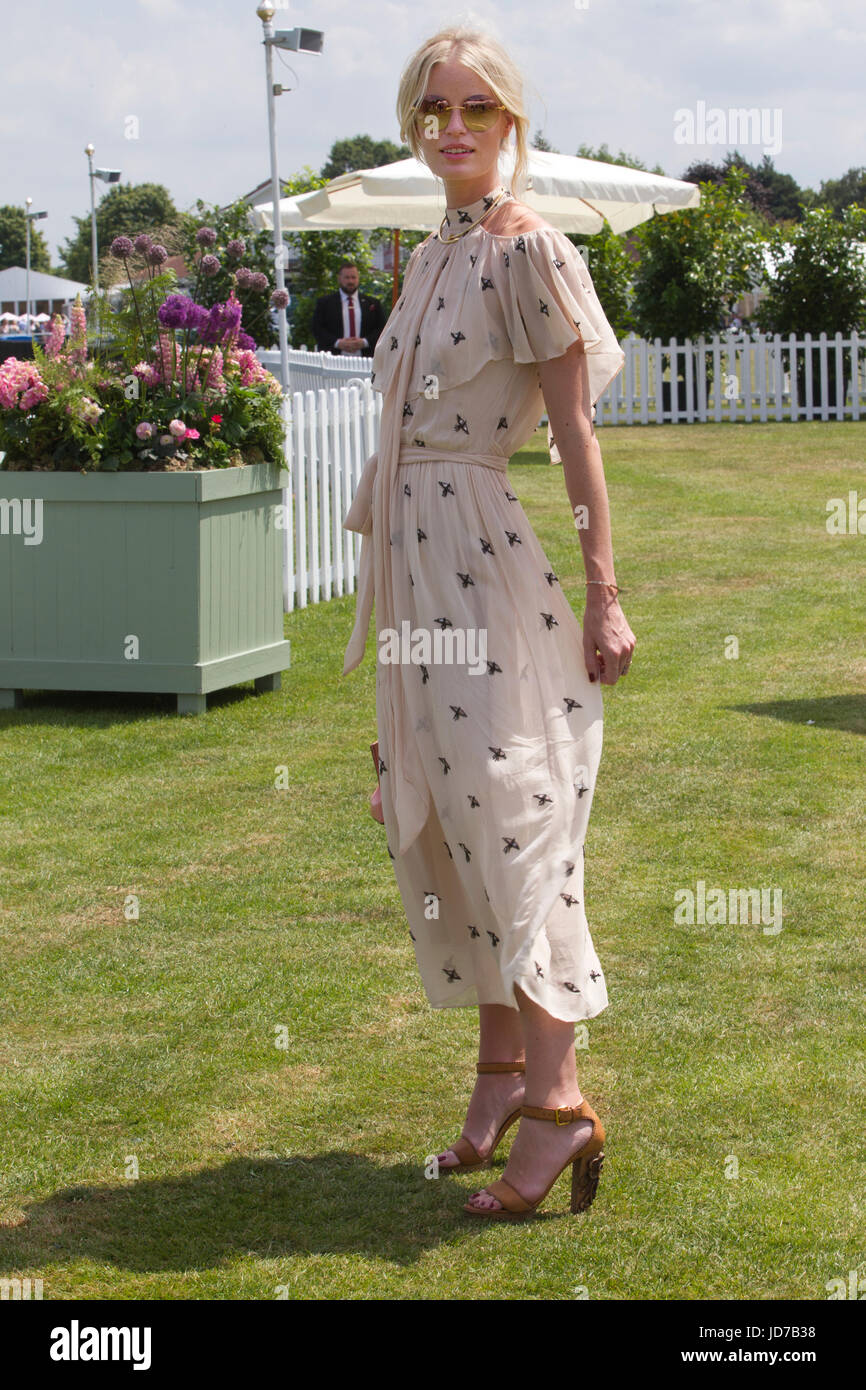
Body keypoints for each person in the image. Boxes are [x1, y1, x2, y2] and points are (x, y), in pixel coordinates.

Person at [341, 24, 635, 1221]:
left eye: (474, 108)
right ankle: (500, 1074)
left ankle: (560, 1110)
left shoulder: (530, 252)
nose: (450, 129)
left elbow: (574, 436)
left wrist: (604, 590)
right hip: (414, 574)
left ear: (511, 124)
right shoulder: (428, 256)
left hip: (480, 566)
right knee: (442, 831)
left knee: (513, 825)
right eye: (430, 110)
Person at [312, 261, 386, 357]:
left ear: (358, 279)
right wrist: (338, 343)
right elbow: (317, 329)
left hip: (365, 360)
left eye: (353, 277)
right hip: (334, 359)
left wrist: (364, 342)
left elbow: (382, 329)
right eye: (347, 278)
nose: (350, 281)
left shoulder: (372, 304)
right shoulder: (325, 303)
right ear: (339, 279)